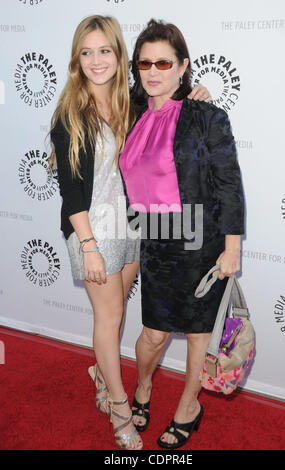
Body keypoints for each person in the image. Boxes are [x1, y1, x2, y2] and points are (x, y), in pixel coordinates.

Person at [49, 15, 210, 450]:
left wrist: (198, 95)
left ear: (120, 56)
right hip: (92, 230)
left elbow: (170, 103)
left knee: (117, 308)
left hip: (132, 226)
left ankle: (101, 371)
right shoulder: (69, 115)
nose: (96, 60)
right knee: (111, 317)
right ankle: (119, 409)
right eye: (87, 52)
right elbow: (70, 193)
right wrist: (88, 246)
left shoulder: (132, 103)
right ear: (76, 60)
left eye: (105, 51)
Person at [119, 19, 245, 449]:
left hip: (201, 243)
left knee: (197, 334)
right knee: (152, 333)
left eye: (164, 62)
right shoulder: (130, 113)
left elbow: (228, 182)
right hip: (154, 243)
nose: (153, 71)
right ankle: (143, 388)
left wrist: (232, 249)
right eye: (145, 62)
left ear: (182, 66)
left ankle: (189, 406)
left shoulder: (205, 115)